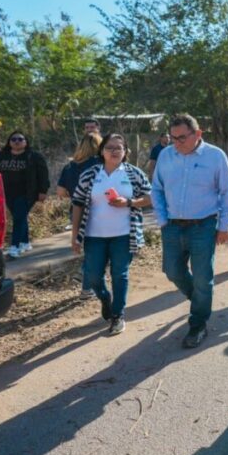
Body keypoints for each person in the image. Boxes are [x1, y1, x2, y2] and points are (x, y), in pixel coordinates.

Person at [151, 114, 228, 349]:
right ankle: (199, 300)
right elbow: (156, 188)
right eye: (173, 138)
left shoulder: (215, 156)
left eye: (182, 138)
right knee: (172, 271)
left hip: (203, 226)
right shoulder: (166, 155)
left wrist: (224, 226)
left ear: (198, 134)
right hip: (172, 226)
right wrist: (161, 218)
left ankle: (197, 324)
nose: (177, 143)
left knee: (202, 278)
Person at [70, 134, 152, 335]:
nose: (114, 151)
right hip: (93, 235)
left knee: (120, 274)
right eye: (109, 147)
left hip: (124, 234)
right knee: (92, 275)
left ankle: (118, 315)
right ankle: (105, 298)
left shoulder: (134, 174)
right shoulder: (90, 174)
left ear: (125, 152)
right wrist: (75, 235)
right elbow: (78, 204)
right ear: (102, 151)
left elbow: (151, 197)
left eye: (119, 147)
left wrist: (130, 202)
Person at [56, 132, 104, 298]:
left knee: (89, 249)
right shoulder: (100, 163)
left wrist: (76, 195)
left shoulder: (70, 166)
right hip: (97, 210)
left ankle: (86, 289)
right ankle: (84, 274)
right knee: (99, 250)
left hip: (76, 210)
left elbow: (60, 191)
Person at [0, 131, 50, 259]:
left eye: (20, 139)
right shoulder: (1, 156)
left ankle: (14, 247)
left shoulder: (34, 156)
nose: (17, 141)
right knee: (20, 217)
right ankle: (25, 242)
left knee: (18, 217)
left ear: (25, 141)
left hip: (27, 193)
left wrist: (43, 191)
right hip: (6, 193)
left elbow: (43, 175)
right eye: (14, 139)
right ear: (9, 142)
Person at [57, 133, 103, 200]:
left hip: (76, 207)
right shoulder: (102, 164)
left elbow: (60, 192)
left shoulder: (69, 166)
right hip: (98, 207)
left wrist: (75, 196)